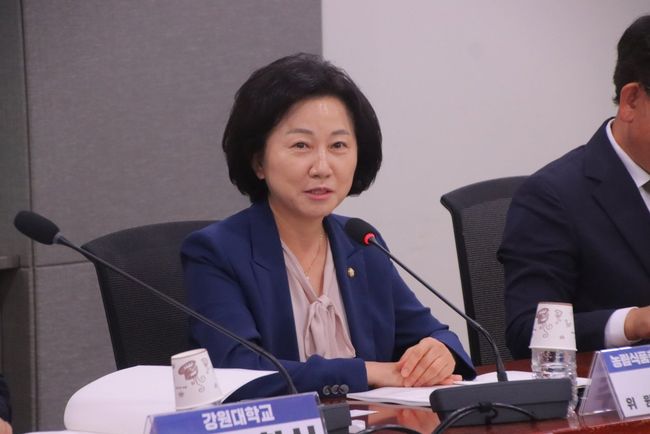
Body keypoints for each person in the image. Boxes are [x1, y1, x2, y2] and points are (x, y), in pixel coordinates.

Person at [181, 53, 475, 400]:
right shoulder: (216, 252)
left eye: (338, 145)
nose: (322, 167)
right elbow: (238, 372)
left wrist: (439, 353)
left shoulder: (361, 243)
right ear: (259, 161)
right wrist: (369, 371)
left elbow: (438, 336)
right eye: (301, 145)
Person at [499, 15, 650, 359]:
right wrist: (633, 322)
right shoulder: (551, 197)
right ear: (631, 100)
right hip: (607, 388)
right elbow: (526, 330)